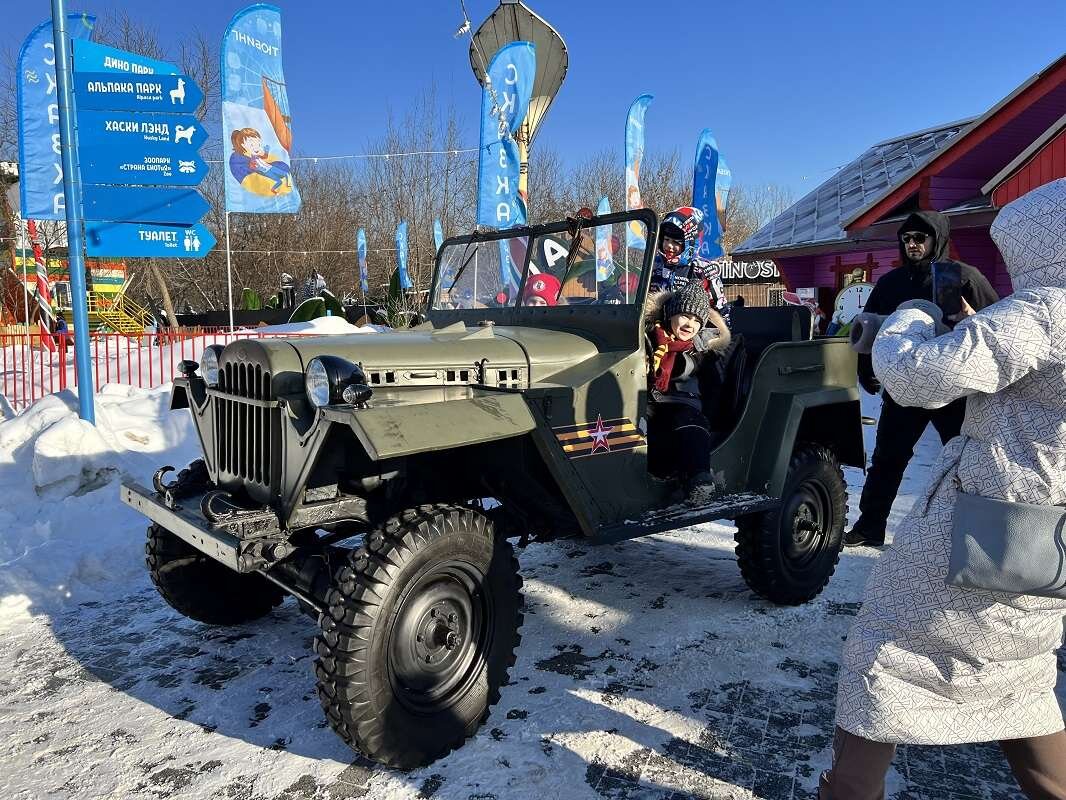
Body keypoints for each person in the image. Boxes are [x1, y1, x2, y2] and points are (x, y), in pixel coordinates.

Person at [822, 180, 1066, 799]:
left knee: (886, 656)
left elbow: (911, 379)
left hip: (982, 530)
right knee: (1021, 677)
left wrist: (915, 317)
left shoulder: (1041, 313)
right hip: (1052, 546)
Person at [846, 209, 999, 547]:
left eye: (920, 238)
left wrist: (971, 322)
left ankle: (973, 538)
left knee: (963, 461)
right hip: (905, 388)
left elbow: (996, 324)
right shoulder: (891, 282)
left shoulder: (962, 277)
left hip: (951, 389)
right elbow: (870, 327)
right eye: (906, 239)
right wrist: (867, 368)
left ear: (938, 239)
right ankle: (870, 526)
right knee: (887, 458)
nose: (912, 244)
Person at [644, 282, 732, 505]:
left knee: (690, 424)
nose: (689, 324)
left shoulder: (702, 349)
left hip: (686, 404)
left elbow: (714, 388)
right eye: (684, 315)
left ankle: (699, 479)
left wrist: (710, 417)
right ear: (670, 313)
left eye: (696, 320)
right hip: (651, 400)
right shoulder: (651, 337)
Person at [650, 206, 730, 327]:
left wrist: (724, 332)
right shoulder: (655, 264)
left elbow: (719, 306)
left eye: (677, 242)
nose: (669, 246)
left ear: (690, 243)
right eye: (666, 239)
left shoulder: (703, 269)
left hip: (690, 330)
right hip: (657, 327)